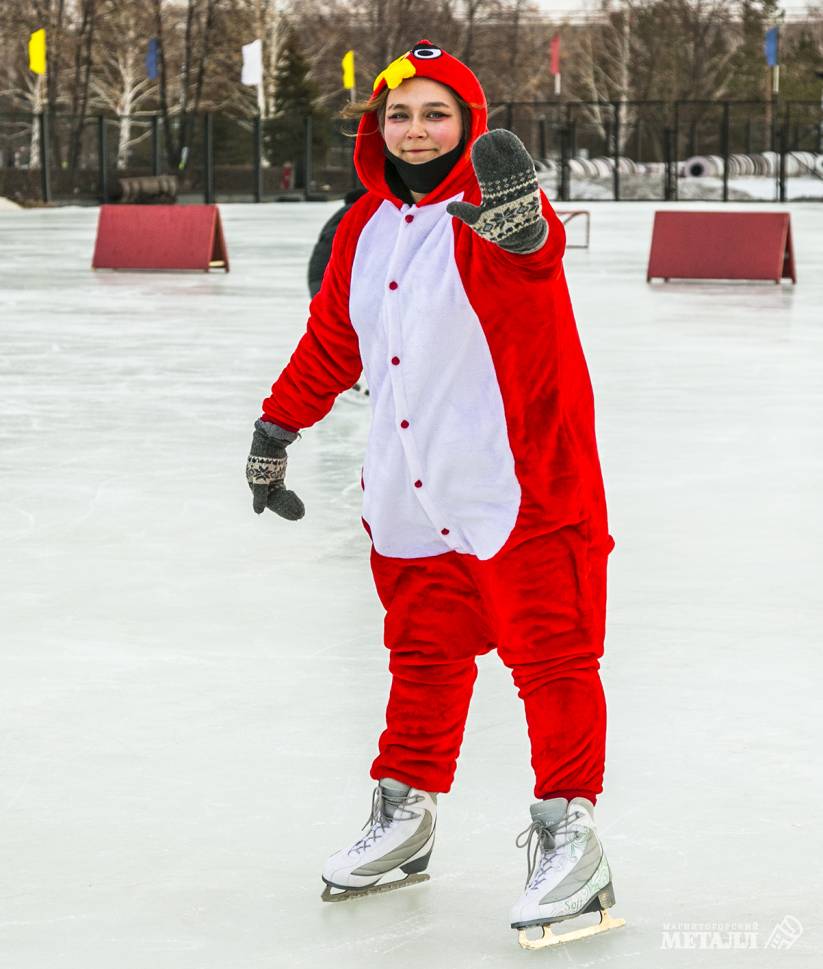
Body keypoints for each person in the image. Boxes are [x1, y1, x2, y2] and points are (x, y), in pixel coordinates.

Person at [246, 41, 622, 948]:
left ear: (468, 123)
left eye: (436, 113)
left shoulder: (494, 215)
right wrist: (276, 428)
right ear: (378, 128)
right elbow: (334, 342)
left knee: (553, 662)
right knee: (421, 659)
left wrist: (523, 223)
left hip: (518, 485)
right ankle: (405, 812)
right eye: (400, 114)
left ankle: (570, 836)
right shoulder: (364, 228)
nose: (416, 131)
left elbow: (531, 255)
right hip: (409, 491)